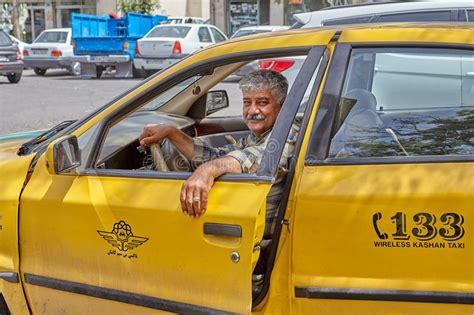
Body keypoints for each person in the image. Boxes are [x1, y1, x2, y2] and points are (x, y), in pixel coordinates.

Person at [139, 69, 298, 237]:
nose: (252, 111)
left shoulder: (288, 133)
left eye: (262, 102)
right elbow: (215, 156)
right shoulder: (256, 137)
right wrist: (172, 132)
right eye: (247, 102)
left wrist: (206, 171)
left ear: (283, 106)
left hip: (264, 240)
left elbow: (260, 158)